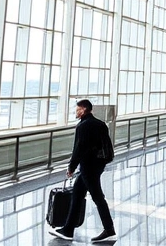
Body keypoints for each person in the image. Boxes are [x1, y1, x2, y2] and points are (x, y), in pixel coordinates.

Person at [48, 99, 116, 243]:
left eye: (77, 109)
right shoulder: (100, 124)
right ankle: (68, 230)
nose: (76, 112)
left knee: (98, 197)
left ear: (84, 110)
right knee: (77, 195)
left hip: (88, 167)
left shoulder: (83, 126)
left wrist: (71, 167)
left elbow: (79, 149)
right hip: (98, 165)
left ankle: (109, 229)